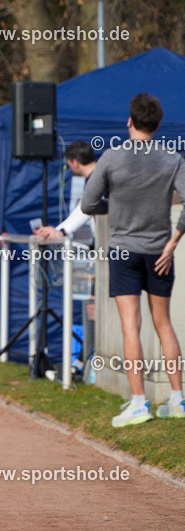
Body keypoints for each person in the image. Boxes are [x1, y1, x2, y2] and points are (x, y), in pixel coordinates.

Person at [79, 93, 185, 427]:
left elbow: (87, 203)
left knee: (131, 325)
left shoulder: (112, 157)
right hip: (159, 251)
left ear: (130, 121)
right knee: (164, 323)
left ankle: (139, 403)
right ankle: (178, 398)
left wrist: (115, 207)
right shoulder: (173, 159)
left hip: (124, 250)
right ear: (157, 124)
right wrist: (173, 243)